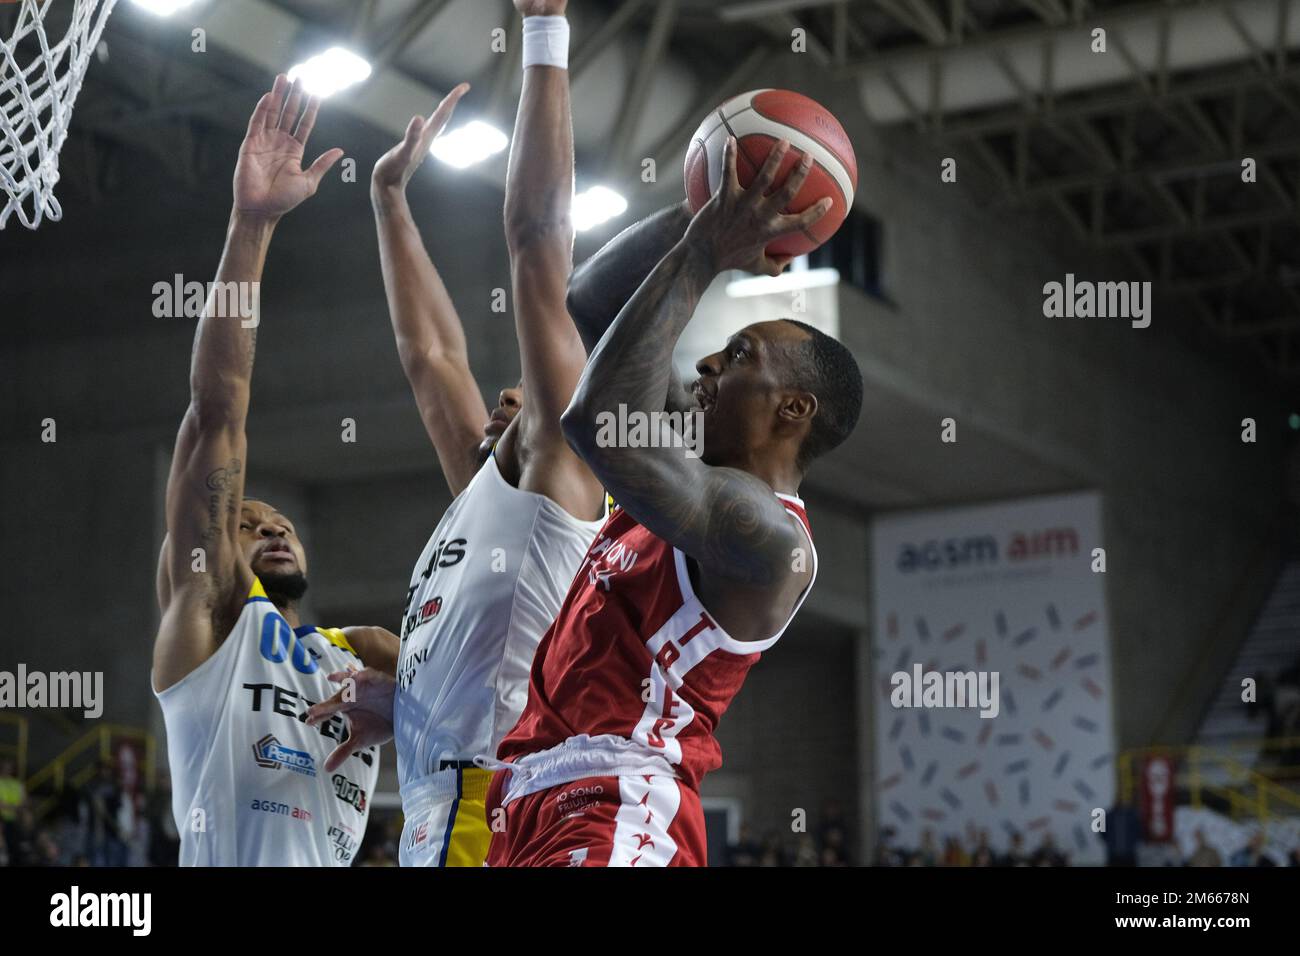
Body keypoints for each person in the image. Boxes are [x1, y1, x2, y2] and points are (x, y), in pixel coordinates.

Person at [482, 135, 863, 866]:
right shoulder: (683, 468)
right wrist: (707, 213)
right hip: (530, 799)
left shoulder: (769, 539)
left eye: (743, 356)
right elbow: (592, 302)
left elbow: (595, 421)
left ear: (793, 410)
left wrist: (704, 256)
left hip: (618, 800)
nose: (711, 361)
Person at [307, 0, 609, 868]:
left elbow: (537, 240)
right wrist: (390, 199)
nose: (502, 403)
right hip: (439, 817)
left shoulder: (563, 475)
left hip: (506, 811)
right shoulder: (482, 499)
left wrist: (544, 32)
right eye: (501, 398)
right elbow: (431, 357)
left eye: (522, 396)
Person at [152, 75, 398, 866]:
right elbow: (218, 408)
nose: (272, 527)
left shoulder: (354, 652)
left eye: (281, 522)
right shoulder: (217, 613)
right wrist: (251, 226)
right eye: (249, 523)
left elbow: (491, 692)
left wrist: (405, 703)